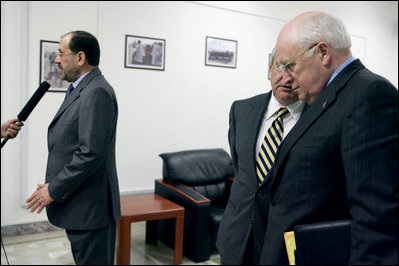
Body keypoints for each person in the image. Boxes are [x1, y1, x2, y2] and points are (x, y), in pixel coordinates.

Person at [253, 11, 398, 264]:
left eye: (291, 65)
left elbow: (376, 220)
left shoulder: (370, 95)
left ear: (323, 52)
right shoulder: (321, 96)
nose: (287, 77)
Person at [25, 30, 121, 265]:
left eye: (60, 53)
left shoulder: (96, 91)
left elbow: (90, 153)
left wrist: (53, 189)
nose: (57, 59)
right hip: (80, 206)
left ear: (80, 57)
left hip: (91, 210)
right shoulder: (82, 88)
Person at [216, 48, 305, 265]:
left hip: (287, 242)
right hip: (237, 234)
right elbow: (241, 168)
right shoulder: (242, 109)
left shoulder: (318, 116)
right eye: (282, 67)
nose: (288, 78)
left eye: (297, 69)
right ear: (270, 68)